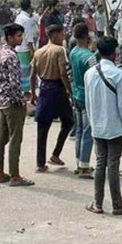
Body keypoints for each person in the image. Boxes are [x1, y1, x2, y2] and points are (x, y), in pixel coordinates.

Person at [84, 36, 122, 216]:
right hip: (115, 127)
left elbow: (88, 102)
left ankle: (97, 203)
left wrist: (92, 122)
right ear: (114, 53)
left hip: (97, 125)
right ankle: (117, 204)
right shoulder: (118, 74)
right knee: (113, 165)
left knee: (100, 163)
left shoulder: (89, 73)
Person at [30, 24, 74, 173]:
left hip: (44, 88)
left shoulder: (38, 52)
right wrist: (70, 92)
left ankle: (40, 162)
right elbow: (63, 73)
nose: (64, 37)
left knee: (42, 128)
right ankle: (56, 153)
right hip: (57, 88)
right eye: (62, 35)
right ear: (55, 35)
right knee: (68, 121)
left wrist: (33, 93)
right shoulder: (59, 50)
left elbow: (32, 75)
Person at [0, 24, 34, 187]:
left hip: (2, 100)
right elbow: (14, 83)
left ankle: (0, 171)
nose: (21, 38)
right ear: (9, 37)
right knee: (15, 139)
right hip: (12, 101)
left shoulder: (1, 53)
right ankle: (15, 175)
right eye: (18, 36)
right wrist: (22, 100)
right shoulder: (11, 56)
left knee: (2, 137)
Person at [69, 23, 97, 179]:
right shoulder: (90, 57)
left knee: (79, 130)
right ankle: (85, 166)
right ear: (87, 37)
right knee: (87, 131)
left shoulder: (73, 52)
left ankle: (79, 162)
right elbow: (95, 76)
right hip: (87, 95)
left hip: (77, 93)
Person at [15, 0, 37, 92]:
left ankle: (22, 89)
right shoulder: (27, 20)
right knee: (27, 70)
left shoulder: (19, 17)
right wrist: (32, 50)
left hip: (19, 47)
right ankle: (26, 90)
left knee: (22, 70)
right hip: (25, 48)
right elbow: (29, 36)